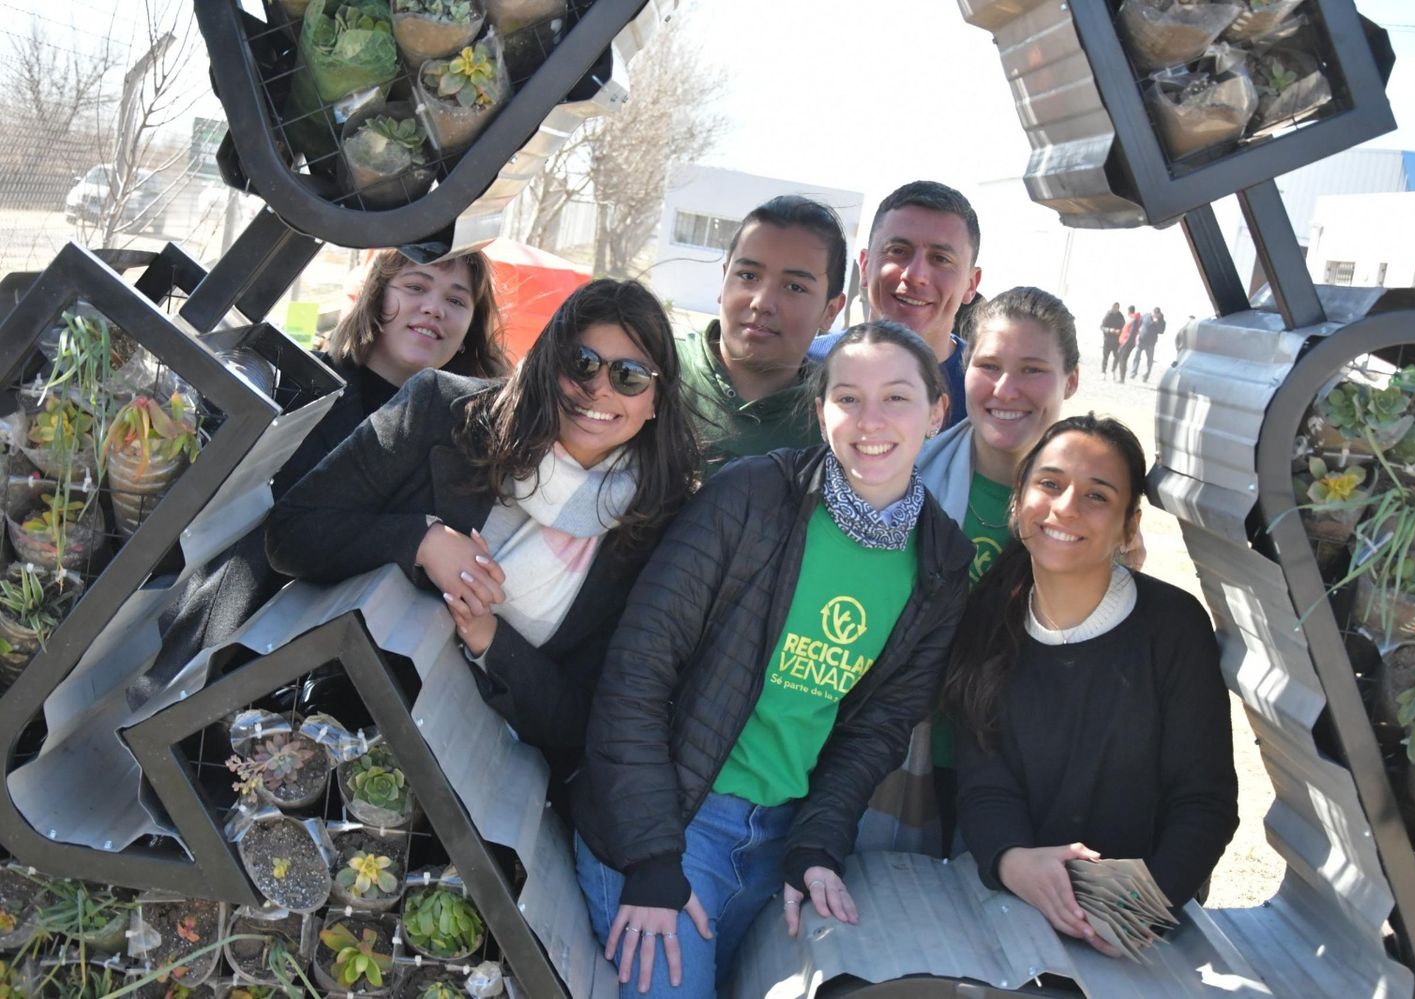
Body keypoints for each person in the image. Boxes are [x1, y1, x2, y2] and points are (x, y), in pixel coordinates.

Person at [572, 321, 973, 997]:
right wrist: (648, 854)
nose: (870, 420)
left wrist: (817, 842)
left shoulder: (941, 560)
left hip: (776, 840)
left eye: (897, 398)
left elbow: (878, 727)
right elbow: (638, 669)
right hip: (671, 818)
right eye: (848, 397)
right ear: (821, 413)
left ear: (937, 412)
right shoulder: (754, 497)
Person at [266, 279, 700, 755]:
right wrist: (421, 541)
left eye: (630, 376)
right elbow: (290, 532)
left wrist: (490, 639)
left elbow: (583, 718)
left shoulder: (659, 525)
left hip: (471, 778)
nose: (597, 390)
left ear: (655, 400)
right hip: (329, 720)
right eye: (582, 364)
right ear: (547, 362)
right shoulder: (438, 410)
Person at [129, 249, 509, 708]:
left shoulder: (473, 442)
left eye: (457, 300)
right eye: (415, 286)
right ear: (375, 294)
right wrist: (418, 539)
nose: (434, 307)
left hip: (346, 694)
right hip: (218, 663)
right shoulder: (295, 389)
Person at [945, 414, 1238, 953]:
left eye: (1097, 496)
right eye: (1050, 484)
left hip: (1143, 926)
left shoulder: (1173, 625)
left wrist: (1141, 905)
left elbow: (1206, 800)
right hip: (1022, 911)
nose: (1066, 508)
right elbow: (984, 782)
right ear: (1019, 501)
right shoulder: (987, 616)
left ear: (1129, 526)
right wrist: (1013, 861)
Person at [860, 286, 1082, 857]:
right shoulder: (904, 481)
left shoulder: (1090, 512)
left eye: (1033, 370)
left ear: (1071, 382)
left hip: (1025, 775)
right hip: (899, 758)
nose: (1007, 390)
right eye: (988, 366)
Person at [679, 195, 847, 477]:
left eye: (794, 287)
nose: (762, 302)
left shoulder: (837, 426)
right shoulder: (657, 371)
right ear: (723, 280)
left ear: (830, 311)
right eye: (748, 276)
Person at [808, 180, 982, 429]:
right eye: (898, 251)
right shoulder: (807, 365)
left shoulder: (984, 394)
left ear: (971, 284)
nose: (916, 274)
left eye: (941, 259)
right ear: (866, 267)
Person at [1132, 306, 1165, 381]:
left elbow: (1161, 331)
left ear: (1159, 314)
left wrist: (1157, 323)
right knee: (1136, 357)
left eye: (1157, 314)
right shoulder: (1146, 316)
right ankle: (1133, 373)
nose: (1154, 315)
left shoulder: (1162, 321)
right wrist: (1138, 333)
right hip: (1141, 340)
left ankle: (1145, 376)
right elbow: (1139, 323)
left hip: (1150, 343)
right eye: (1154, 313)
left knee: (1149, 361)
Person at [1115, 305, 1141, 383]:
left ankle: (1122, 378)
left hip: (1128, 344)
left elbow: (1131, 334)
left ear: (1129, 311)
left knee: (1123, 360)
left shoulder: (1134, 320)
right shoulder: (1133, 319)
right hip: (1126, 342)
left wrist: (1124, 345)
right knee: (1123, 360)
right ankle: (1121, 378)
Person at [1098, 302, 1123, 376]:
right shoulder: (1108, 315)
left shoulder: (1121, 316)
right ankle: (1103, 372)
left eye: (1117, 308)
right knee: (1105, 357)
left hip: (1117, 341)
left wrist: (1119, 331)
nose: (1115, 309)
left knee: (1117, 357)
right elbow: (1102, 327)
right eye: (1114, 307)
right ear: (1111, 307)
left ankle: (1113, 371)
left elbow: (1124, 328)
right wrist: (1109, 330)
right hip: (1107, 340)